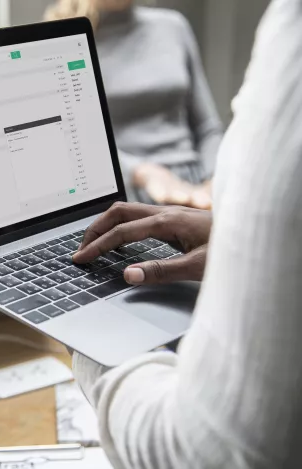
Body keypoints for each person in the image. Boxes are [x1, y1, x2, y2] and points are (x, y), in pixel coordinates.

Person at [70, 0, 302, 466]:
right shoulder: (68, 31)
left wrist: (83, 338)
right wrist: (154, 176)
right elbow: (81, 140)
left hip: (204, 190)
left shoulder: (172, 25)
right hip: (136, 193)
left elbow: (204, 453)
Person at [45, 0, 223, 209]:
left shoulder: (174, 26)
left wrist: (215, 182)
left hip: (195, 187)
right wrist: (141, 173)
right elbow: (73, 142)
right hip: (124, 193)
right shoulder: (65, 38)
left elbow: (208, 127)